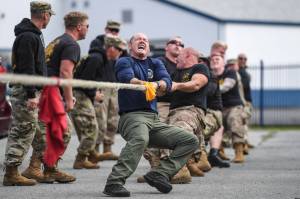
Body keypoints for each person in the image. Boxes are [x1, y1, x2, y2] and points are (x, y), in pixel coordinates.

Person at [103, 33, 199, 197]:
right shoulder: (124, 61)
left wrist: (159, 83)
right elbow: (127, 78)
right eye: (138, 40)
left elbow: (167, 81)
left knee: (190, 140)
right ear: (130, 45)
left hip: (153, 120)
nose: (142, 41)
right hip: (132, 117)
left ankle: (159, 173)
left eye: (145, 40)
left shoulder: (155, 63)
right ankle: (114, 182)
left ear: (148, 47)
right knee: (141, 139)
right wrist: (145, 85)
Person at [3, 1, 54, 186]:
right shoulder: (27, 37)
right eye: (49, 15)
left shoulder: (34, 35)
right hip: (26, 91)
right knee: (23, 130)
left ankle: (34, 167)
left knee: (39, 131)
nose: (49, 18)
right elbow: (27, 68)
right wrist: (32, 94)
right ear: (45, 15)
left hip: (33, 91)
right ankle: (11, 172)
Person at [40, 11, 89, 182]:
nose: (88, 29)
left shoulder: (57, 40)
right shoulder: (72, 45)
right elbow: (65, 72)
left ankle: (43, 168)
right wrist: (68, 98)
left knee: (43, 132)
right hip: (49, 93)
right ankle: (48, 169)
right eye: (87, 26)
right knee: (63, 131)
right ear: (79, 27)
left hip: (44, 91)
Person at [71, 35, 124, 169]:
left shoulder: (101, 58)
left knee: (92, 126)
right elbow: (84, 81)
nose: (121, 53)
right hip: (80, 94)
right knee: (92, 128)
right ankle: (81, 158)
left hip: (84, 94)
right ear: (111, 48)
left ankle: (91, 154)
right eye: (119, 49)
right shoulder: (96, 58)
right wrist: (94, 94)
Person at [92, 34, 125, 161]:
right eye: (119, 50)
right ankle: (94, 151)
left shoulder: (115, 56)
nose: (121, 52)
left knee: (113, 120)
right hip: (101, 88)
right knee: (100, 119)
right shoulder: (98, 53)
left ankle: (107, 149)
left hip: (114, 87)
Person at [210, 53, 247, 163]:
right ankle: (218, 152)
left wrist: (211, 89)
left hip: (234, 106)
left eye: (218, 59)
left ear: (223, 62)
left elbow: (227, 86)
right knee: (215, 127)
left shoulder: (230, 72)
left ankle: (239, 152)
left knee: (234, 122)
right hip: (219, 108)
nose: (215, 61)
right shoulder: (209, 74)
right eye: (212, 60)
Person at [237, 53, 254, 150]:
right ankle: (243, 144)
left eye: (245, 59)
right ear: (237, 60)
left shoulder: (245, 72)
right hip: (242, 101)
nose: (243, 60)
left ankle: (245, 141)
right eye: (240, 58)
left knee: (245, 122)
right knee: (242, 122)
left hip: (247, 100)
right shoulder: (238, 72)